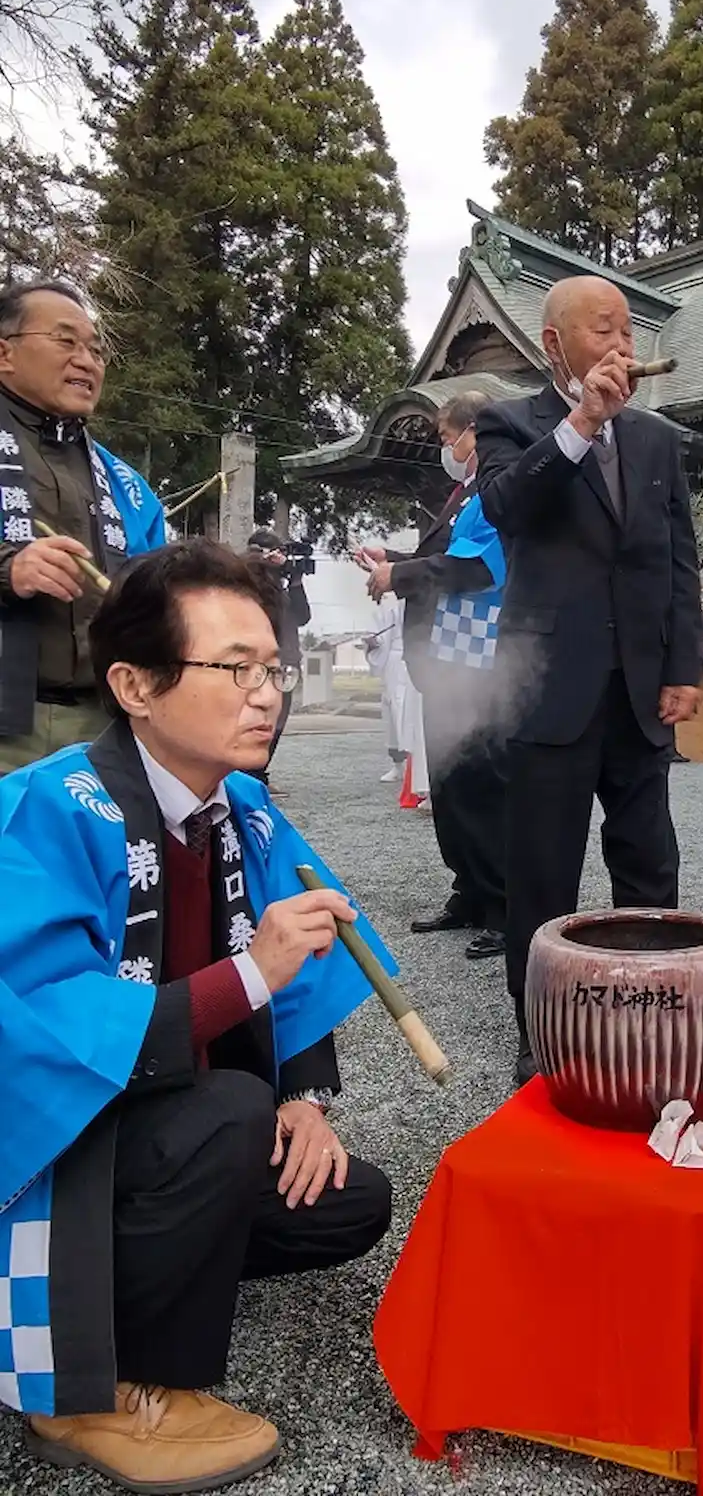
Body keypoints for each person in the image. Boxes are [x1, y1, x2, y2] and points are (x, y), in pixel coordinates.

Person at [1, 540, 395, 1493]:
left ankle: (136, 1273)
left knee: (345, 1199)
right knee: (225, 1115)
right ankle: (91, 1389)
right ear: (135, 685)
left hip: (170, 1116)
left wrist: (305, 1096)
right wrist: (249, 977)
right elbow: (51, 1025)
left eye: (273, 669)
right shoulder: (43, 808)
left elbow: (306, 947)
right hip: (55, 1148)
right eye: (235, 669)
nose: (267, 695)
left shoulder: (242, 806)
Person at [474, 275, 703, 1085]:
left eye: (629, 334)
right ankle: (543, 1033)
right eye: (603, 331)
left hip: (640, 689)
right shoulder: (510, 422)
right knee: (543, 871)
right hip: (549, 686)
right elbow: (507, 507)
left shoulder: (654, 441)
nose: (621, 348)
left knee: (649, 863)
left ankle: (658, 1007)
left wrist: (685, 666)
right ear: (554, 345)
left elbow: (678, 561)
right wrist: (580, 422)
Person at [357, 393, 507, 962]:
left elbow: (473, 568)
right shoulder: (464, 492)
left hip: (479, 657)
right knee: (448, 783)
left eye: (448, 437)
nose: (446, 448)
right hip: (445, 657)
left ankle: (503, 904)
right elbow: (440, 555)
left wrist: (399, 572)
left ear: (474, 431)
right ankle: (468, 888)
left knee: (480, 786)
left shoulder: (496, 489)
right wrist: (393, 557)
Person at [0, 278, 165, 774]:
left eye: (95, 350)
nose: (86, 360)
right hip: (8, 728)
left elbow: (157, 583)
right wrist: (8, 571)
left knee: (102, 852)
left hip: (102, 727)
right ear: (4, 354)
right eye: (65, 341)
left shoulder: (125, 483)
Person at [245, 528, 312, 789]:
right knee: (257, 718)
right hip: (261, 663)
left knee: (278, 720)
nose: (281, 558)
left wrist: (296, 580)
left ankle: (260, 772)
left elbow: (303, 616)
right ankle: (250, 775)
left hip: (288, 662)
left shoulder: (281, 586)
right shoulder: (248, 582)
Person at [365, 598, 424, 786]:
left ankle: (417, 772)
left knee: (410, 717)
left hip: (411, 658)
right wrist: (374, 642)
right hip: (392, 662)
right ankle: (398, 765)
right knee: (391, 715)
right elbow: (380, 632)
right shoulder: (389, 601)